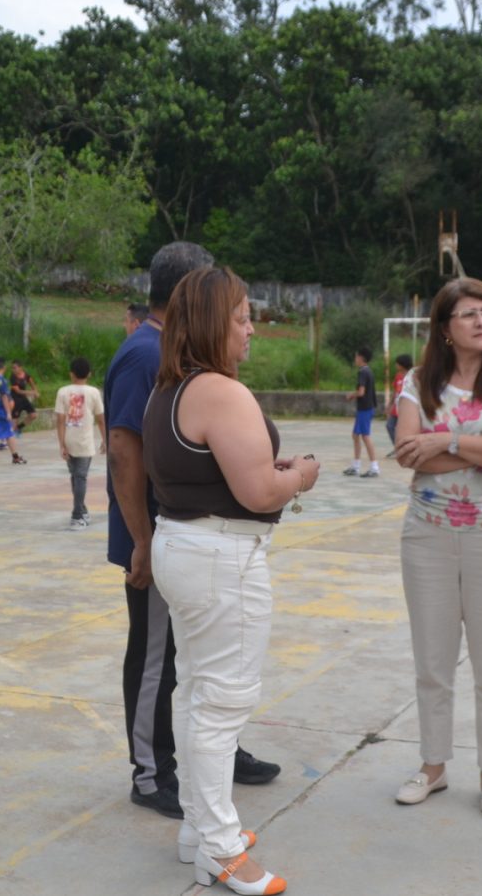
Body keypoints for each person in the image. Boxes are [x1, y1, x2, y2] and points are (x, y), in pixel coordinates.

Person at [147, 266, 320, 896]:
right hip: (222, 555)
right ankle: (220, 848)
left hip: (186, 546)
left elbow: (217, 473)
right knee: (220, 704)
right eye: (243, 316)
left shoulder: (172, 388)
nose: (252, 329)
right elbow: (256, 489)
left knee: (196, 694)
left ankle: (200, 830)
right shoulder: (221, 390)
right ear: (214, 322)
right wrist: (299, 474)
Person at [104, 241, 283, 829]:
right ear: (189, 294)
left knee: (202, 666)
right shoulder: (145, 354)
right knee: (158, 659)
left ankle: (217, 755)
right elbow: (124, 452)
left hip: (185, 534)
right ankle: (152, 771)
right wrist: (142, 541)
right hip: (162, 537)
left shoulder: (176, 353)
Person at [389, 278, 482, 824]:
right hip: (426, 536)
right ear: (445, 329)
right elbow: (408, 453)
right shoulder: (418, 381)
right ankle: (433, 765)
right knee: (432, 660)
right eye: (469, 314)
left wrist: (446, 441)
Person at [54, 356, 105, 530]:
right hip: (85, 442)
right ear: (89, 374)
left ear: (71, 374)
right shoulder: (94, 392)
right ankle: (78, 515)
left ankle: (81, 511)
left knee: (76, 477)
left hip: (69, 440)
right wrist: (105, 440)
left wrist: (61, 443)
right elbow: (101, 419)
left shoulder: (62, 391)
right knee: (80, 477)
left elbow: (60, 420)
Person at [343, 347, 379, 478]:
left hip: (365, 408)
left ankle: (374, 467)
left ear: (361, 357)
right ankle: (356, 465)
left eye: (356, 356)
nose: (355, 359)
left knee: (365, 436)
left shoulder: (362, 372)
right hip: (366, 408)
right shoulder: (368, 371)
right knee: (355, 435)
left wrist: (351, 395)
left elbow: (361, 392)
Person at [384, 353, 413, 457]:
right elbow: (395, 391)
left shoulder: (412, 376)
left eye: (397, 363)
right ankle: (397, 447)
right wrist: (390, 404)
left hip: (406, 408)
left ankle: (406, 449)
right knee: (390, 426)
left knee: (405, 430)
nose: (396, 365)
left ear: (402, 364)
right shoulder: (398, 376)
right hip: (396, 407)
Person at [9, 360, 40, 431]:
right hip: (15, 399)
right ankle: (10, 435)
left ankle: (19, 428)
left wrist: (36, 392)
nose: (13, 370)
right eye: (12, 368)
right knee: (14, 423)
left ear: (20, 368)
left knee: (33, 415)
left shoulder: (26, 375)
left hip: (24, 399)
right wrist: (31, 393)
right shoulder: (13, 377)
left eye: (15, 368)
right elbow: (18, 391)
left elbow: (32, 384)